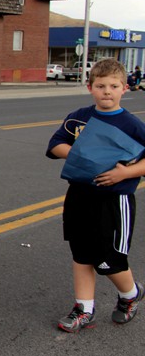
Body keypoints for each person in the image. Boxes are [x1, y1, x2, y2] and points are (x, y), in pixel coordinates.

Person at [47, 59, 145, 333]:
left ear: (125, 88)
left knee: (110, 259)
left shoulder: (132, 125)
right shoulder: (80, 117)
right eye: (100, 86)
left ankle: (130, 294)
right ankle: (84, 308)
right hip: (80, 196)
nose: (107, 91)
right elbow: (56, 145)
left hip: (115, 199)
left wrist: (124, 174)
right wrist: (84, 156)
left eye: (113, 86)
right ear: (90, 87)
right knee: (81, 255)